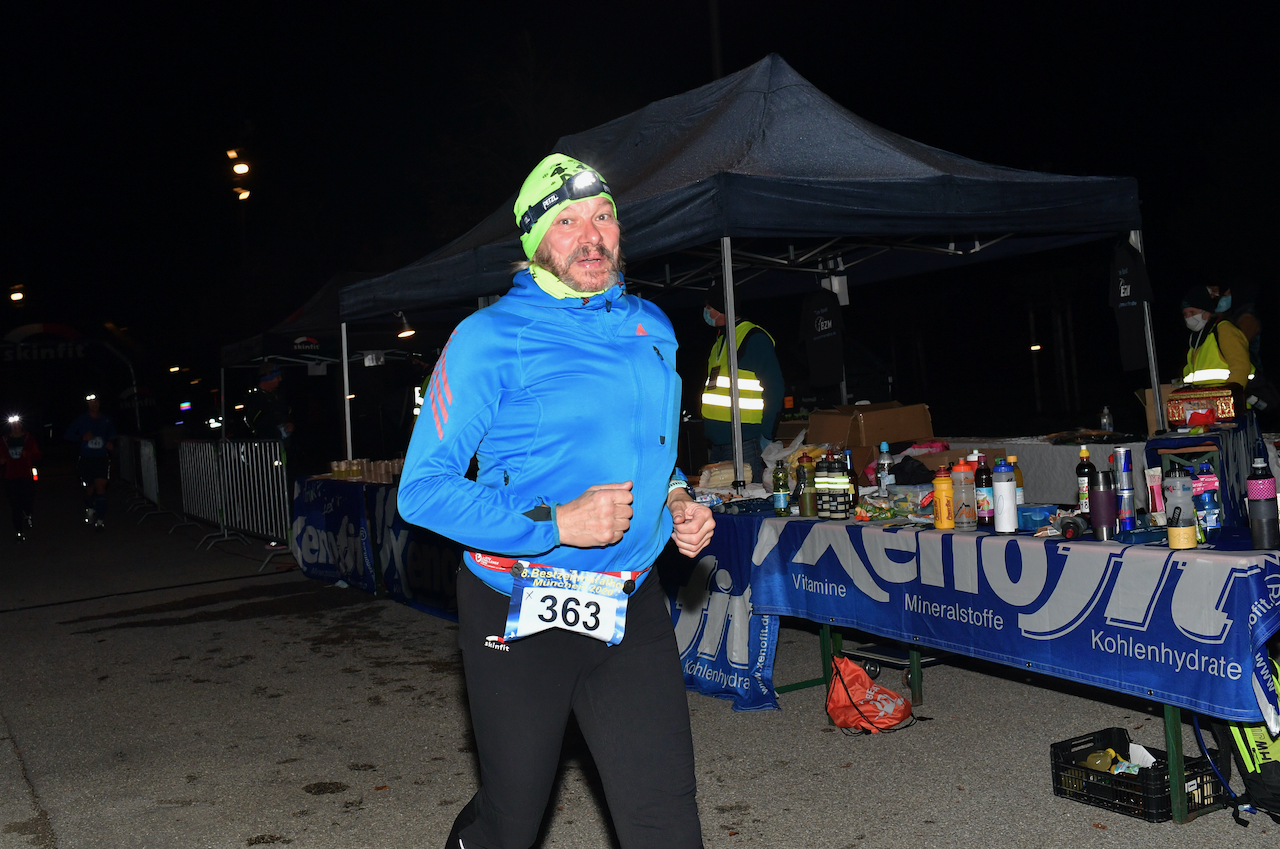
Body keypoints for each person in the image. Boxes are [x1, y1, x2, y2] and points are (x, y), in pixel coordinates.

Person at [398, 153, 714, 849]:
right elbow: (421, 490)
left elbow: (649, 448)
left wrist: (679, 496)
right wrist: (555, 523)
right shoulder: (488, 338)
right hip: (518, 606)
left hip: (630, 604)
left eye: (603, 217)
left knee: (667, 819)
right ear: (535, 241)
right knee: (512, 821)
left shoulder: (653, 327)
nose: (591, 235)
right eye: (567, 221)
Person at [700, 284, 783, 485]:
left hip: (744, 442)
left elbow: (775, 388)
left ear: (722, 308)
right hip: (718, 444)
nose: (706, 312)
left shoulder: (753, 338)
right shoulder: (720, 340)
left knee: (748, 501)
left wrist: (766, 434)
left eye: (709, 307)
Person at [1182, 287, 1253, 391]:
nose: (1188, 317)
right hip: (1206, 404)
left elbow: (1241, 367)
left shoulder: (1224, 330)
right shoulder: (1197, 339)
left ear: (1206, 313)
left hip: (1229, 404)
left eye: (1192, 312)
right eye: (1185, 314)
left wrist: (1229, 397)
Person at [65, 394, 115, 530]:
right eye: (91, 403)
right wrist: (82, 437)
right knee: (89, 489)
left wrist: (110, 442)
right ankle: (90, 507)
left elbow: (112, 434)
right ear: (88, 405)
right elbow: (68, 434)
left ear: (99, 404)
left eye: (96, 402)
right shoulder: (82, 419)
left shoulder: (106, 419)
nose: (94, 405)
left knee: (101, 486)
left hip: (101, 458)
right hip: (86, 459)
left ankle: (100, 520)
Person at [1, 414, 41, 542]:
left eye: (18, 424)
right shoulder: (4, 440)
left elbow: (38, 455)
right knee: (15, 505)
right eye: (13, 424)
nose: (16, 426)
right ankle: (19, 531)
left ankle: (28, 514)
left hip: (25, 475)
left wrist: (29, 454)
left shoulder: (28, 439)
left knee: (27, 500)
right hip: (10, 476)